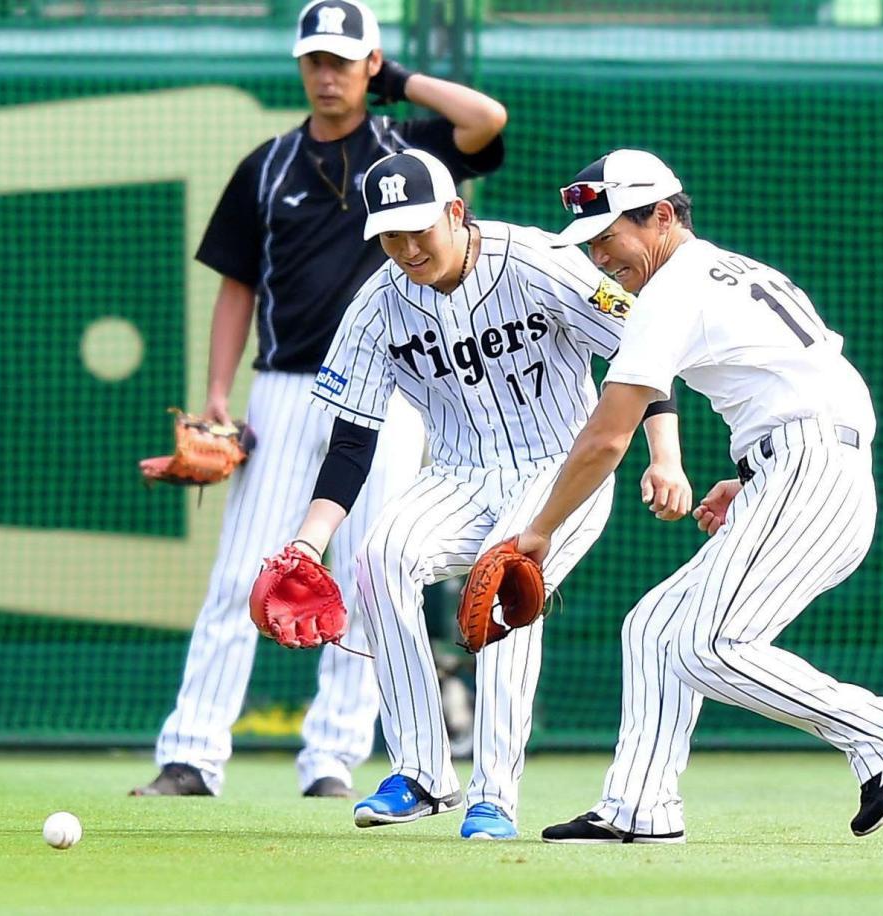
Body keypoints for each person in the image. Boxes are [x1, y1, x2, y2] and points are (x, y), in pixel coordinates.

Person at [131, 0, 507, 800]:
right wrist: (217, 400)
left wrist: (399, 79)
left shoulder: (411, 153)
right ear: (300, 67)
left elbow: (486, 118)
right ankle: (192, 754)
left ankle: (333, 758)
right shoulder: (266, 165)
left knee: (370, 577)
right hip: (288, 388)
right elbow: (238, 286)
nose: (327, 74)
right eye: (316, 60)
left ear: (371, 65)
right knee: (243, 576)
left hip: (394, 396)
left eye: (345, 58)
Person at [514, 148, 883, 843]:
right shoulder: (732, 270)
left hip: (811, 467)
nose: (601, 259)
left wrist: (538, 530)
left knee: (708, 645)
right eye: (590, 245)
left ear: (663, 217)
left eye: (609, 237)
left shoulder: (673, 289)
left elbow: (606, 438)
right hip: (809, 463)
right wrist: (759, 472)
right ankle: (638, 807)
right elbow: (822, 377)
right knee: (652, 628)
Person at [282, 147, 690, 839]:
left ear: (456, 212)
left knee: (505, 581)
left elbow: (640, 352)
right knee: (379, 557)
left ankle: (493, 796)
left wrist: (666, 457)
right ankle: (420, 773)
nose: (407, 247)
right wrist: (305, 544)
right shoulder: (377, 307)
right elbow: (351, 444)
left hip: (564, 470)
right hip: (458, 474)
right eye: (390, 234)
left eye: (420, 229)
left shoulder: (535, 261)